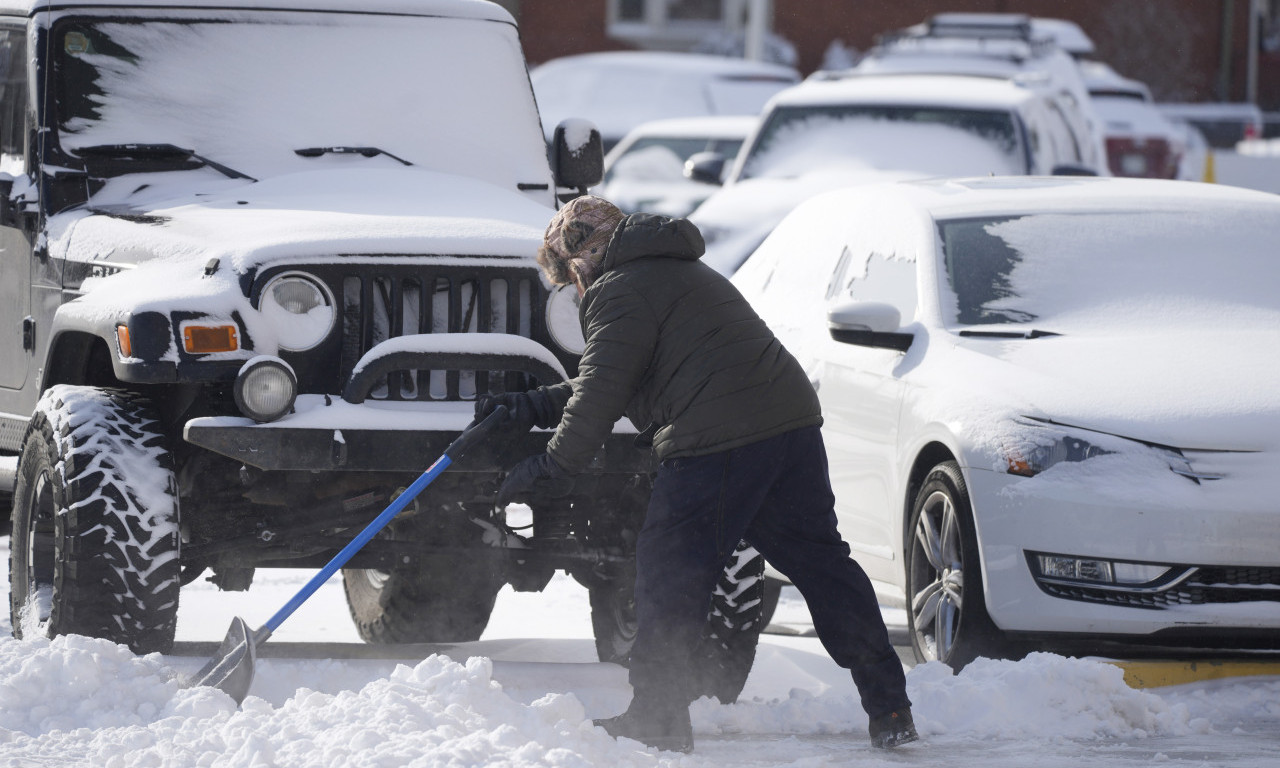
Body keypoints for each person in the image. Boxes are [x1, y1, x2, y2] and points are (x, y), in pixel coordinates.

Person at [477, 195, 916, 753]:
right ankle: (889, 703)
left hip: (717, 440)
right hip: (788, 426)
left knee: (668, 575)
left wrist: (553, 465)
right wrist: (534, 405)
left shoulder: (619, 290)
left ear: (583, 260)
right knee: (822, 564)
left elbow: (602, 388)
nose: (574, 287)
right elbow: (626, 371)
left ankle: (657, 716)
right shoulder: (675, 268)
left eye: (568, 278)